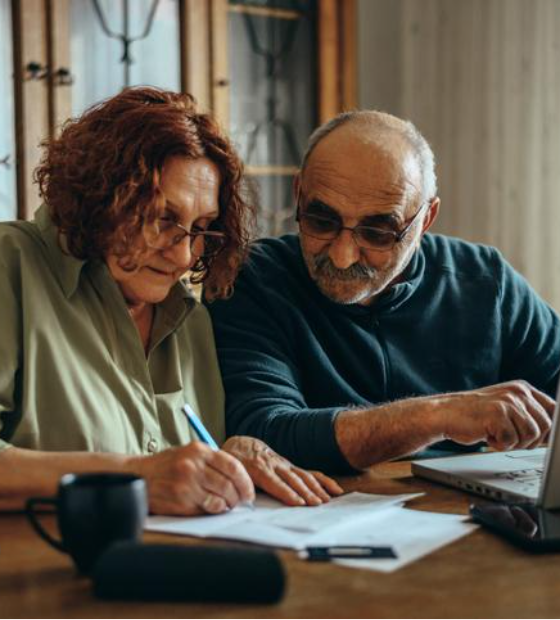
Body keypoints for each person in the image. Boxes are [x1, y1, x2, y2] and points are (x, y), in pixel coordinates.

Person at [0, 86, 342, 514]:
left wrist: (229, 455)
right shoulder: (10, 266)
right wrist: (136, 475)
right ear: (100, 197)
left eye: (200, 228)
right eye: (162, 219)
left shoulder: (191, 319)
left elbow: (182, 467)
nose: (183, 255)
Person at [205, 110, 560, 473]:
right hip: (321, 521)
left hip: (470, 517)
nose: (342, 257)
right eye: (321, 221)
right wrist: (439, 415)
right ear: (299, 194)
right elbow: (263, 435)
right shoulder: (250, 280)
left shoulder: (486, 281)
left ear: (425, 220)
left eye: (378, 233)